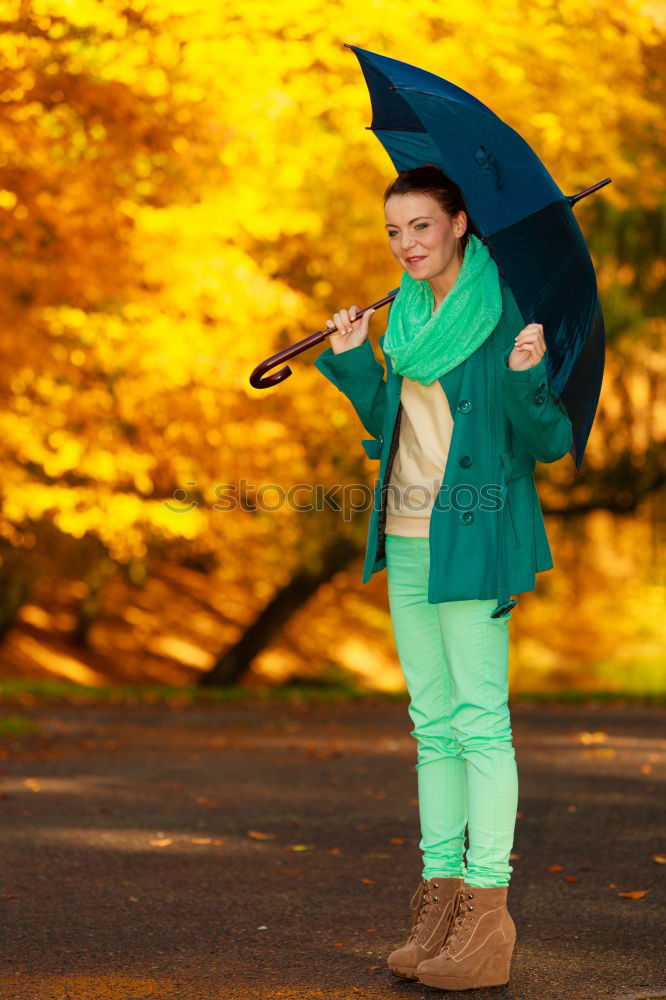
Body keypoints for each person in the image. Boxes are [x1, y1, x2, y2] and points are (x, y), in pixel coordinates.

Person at [315, 164, 574, 991]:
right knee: (432, 721)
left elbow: (549, 443)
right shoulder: (409, 319)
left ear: (460, 224)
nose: (406, 245)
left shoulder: (503, 314)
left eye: (421, 227)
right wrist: (357, 361)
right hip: (407, 528)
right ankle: (441, 899)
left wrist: (530, 373)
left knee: (479, 721)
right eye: (394, 231)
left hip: (476, 534)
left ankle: (487, 915)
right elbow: (390, 425)